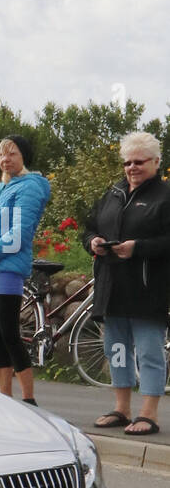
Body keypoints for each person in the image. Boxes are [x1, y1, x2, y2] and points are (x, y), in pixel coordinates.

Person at [85, 130, 170, 436]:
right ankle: (122, 408)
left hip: (147, 289)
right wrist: (92, 242)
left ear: (156, 162)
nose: (132, 168)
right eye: (127, 163)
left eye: (139, 162)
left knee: (149, 351)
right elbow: (90, 227)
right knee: (117, 349)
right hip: (112, 286)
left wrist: (139, 247)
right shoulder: (113, 194)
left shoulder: (165, 196)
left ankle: (149, 412)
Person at [0, 135, 50, 404]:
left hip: (6, 269)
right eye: (1, 154)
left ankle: (28, 399)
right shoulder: (1, 187)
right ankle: (5, 399)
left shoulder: (30, 187)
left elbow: (20, 233)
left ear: (23, 157)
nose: (5, 159)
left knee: (9, 334)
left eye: (12, 154)